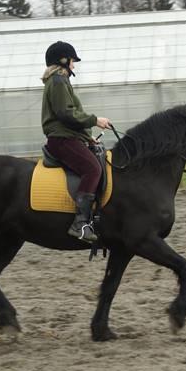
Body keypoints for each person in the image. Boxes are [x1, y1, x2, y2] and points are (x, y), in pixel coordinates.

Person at [41, 41, 111, 242]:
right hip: (62, 139)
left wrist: (86, 135)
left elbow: (70, 115)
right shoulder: (58, 81)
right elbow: (66, 114)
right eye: (72, 61)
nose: (74, 65)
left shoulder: (60, 82)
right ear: (63, 61)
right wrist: (95, 120)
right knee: (93, 169)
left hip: (69, 136)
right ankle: (80, 223)